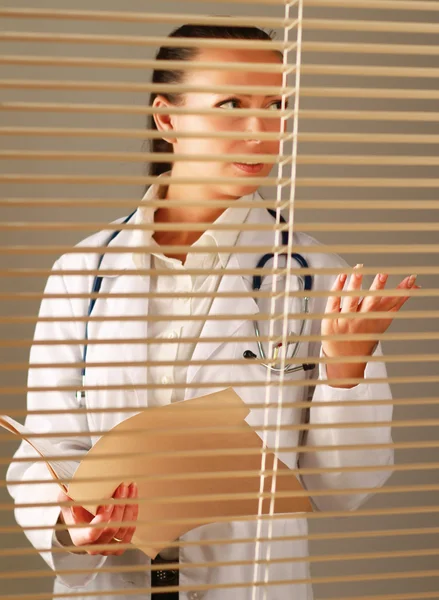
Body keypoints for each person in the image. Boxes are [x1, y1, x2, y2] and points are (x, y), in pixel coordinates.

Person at [6, 23, 419, 600]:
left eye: (276, 106)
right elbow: (48, 449)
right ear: (168, 120)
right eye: (232, 105)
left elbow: (343, 488)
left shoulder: (318, 279)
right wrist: (71, 522)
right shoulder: (83, 273)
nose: (262, 131)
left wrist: (346, 376)